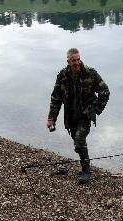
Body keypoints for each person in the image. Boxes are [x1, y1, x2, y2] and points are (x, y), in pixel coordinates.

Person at [47, 48, 110, 183]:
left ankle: (86, 172)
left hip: (85, 115)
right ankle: (84, 167)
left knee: (79, 141)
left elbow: (105, 91)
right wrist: (52, 118)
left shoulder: (90, 74)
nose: (76, 63)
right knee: (78, 142)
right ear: (68, 61)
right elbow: (56, 98)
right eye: (73, 60)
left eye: (78, 59)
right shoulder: (62, 75)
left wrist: (96, 110)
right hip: (70, 116)